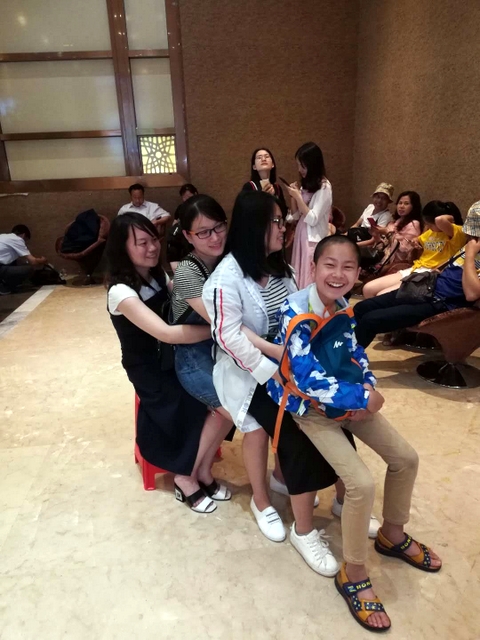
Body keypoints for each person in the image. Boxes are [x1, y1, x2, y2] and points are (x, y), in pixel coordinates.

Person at [266, 234, 441, 632]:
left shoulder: (344, 305)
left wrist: (367, 385)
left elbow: (355, 352)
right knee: (361, 483)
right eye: (329, 265)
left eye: (348, 267)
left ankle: (392, 533)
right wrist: (360, 398)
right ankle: (354, 571)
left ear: (358, 273)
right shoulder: (295, 311)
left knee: (406, 458)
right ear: (313, 267)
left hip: (347, 402)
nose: (338, 274)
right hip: (311, 409)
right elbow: (306, 379)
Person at [203, 190, 342, 576]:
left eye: (283, 220)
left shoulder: (280, 267)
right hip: (245, 372)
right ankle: (262, 501)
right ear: (255, 227)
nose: (284, 227)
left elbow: (297, 312)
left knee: (328, 415)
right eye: (277, 221)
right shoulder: (225, 279)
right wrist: (272, 370)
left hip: (285, 364)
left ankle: (291, 482)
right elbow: (229, 338)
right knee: (282, 428)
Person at [105, 212, 231, 514]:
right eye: (142, 243)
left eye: (154, 240)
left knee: (230, 396)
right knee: (213, 404)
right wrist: (221, 330)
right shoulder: (120, 292)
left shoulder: (156, 276)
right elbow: (166, 332)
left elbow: (187, 297)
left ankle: (201, 470)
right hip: (149, 368)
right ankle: (184, 476)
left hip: (172, 357)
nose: (152, 248)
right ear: (123, 248)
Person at [354, 200, 480, 349]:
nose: (470, 236)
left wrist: (470, 255)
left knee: (370, 320)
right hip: (426, 288)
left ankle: (348, 359)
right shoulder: (470, 245)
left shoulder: (471, 249)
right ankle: (342, 347)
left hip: (440, 302)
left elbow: (472, 294)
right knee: (361, 308)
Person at [363, 200, 466, 299]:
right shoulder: (431, 232)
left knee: (381, 295)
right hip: (416, 268)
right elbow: (418, 239)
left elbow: (440, 220)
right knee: (368, 289)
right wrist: (415, 241)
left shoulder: (457, 231)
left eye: (430, 224)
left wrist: (451, 217)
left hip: (430, 274)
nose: (428, 226)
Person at [283, 142, 332, 288]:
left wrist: (298, 197)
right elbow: (296, 216)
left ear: (312, 165)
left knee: (309, 276)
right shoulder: (307, 185)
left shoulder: (324, 187)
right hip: (301, 235)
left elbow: (313, 219)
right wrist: (293, 197)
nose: (300, 170)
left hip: (313, 239)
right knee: (299, 274)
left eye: (303, 166)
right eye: (298, 165)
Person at [359, 191, 423, 274]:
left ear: (414, 207)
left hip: (397, 264)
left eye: (406, 204)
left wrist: (387, 233)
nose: (401, 206)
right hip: (383, 259)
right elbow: (382, 246)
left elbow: (403, 250)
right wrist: (376, 235)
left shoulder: (413, 224)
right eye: (400, 203)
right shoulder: (394, 222)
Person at [0, 224, 47, 295]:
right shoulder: (18, 239)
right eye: (26, 240)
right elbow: (33, 262)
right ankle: (5, 287)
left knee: (14, 263)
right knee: (29, 269)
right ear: (23, 235)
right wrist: (42, 260)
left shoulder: (3, 237)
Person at [167, 184, 199, 272]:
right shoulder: (181, 208)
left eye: (189, 196)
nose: (187, 199)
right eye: (184, 197)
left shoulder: (200, 206)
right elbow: (175, 223)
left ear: (195, 194)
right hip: (183, 233)